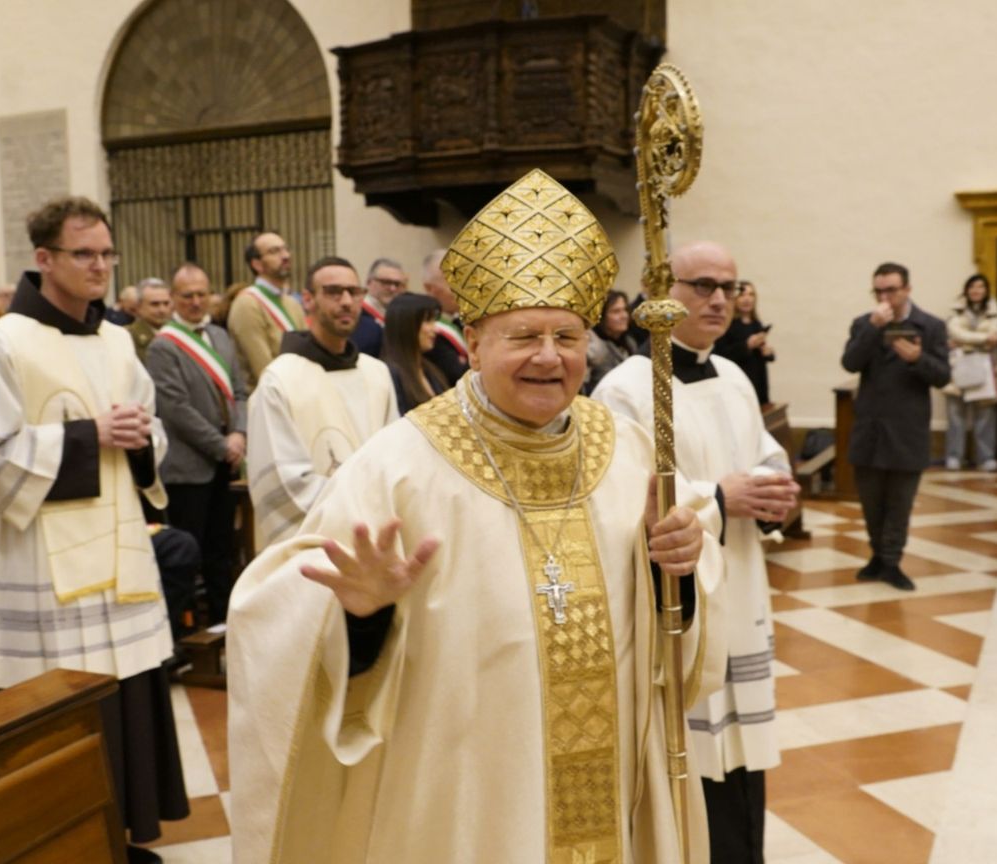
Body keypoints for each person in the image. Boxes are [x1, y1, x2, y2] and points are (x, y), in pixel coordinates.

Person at [228, 169, 723, 864]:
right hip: (469, 798)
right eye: (524, 335)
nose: (550, 356)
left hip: (611, 785)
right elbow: (270, 623)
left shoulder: (630, 447)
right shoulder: (397, 465)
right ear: (474, 336)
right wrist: (358, 621)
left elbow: (680, 623)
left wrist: (677, 566)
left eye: (568, 335)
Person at [0, 196, 188, 859]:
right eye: (84, 254)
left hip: (118, 560)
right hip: (44, 571)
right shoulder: (1, 345)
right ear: (44, 258)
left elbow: (147, 431)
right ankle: (53, 840)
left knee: (125, 695)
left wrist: (143, 438)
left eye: (107, 253)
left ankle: (113, 834)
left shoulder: (116, 338)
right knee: (58, 704)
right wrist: (87, 437)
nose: (100, 266)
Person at [595, 240, 798, 864]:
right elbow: (620, 492)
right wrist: (715, 496)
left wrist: (774, 490)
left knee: (742, 763)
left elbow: (761, 452)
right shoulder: (627, 387)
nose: (718, 299)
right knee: (693, 752)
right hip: (680, 600)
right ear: (662, 290)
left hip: (742, 581)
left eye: (729, 288)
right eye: (702, 285)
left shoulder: (734, 374)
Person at [245, 256, 398, 551]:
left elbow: (394, 457)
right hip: (315, 545)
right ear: (307, 300)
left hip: (376, 543)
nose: (346, 301)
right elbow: (283, 483)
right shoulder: (280, 379)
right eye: (333, 292)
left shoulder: (376, 373)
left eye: (354, 292)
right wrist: (360, 509)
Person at [146, 262, 248, 626]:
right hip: (189, 466)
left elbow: (240, 390)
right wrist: (222, 445)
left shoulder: (220, 337)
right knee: (192, 552)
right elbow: (176, 410)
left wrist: (240, 433)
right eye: (187, 295)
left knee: (222, 550)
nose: (195, 301)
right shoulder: (163, 347)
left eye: (201, 294)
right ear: (173, 298)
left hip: (227, 457)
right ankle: (189, 634)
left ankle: (224, 624)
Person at [841, 262, 951, 591]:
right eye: (879, 291)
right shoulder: (863, 324)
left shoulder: (930, 326)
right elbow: (850, 362)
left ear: (907, 289)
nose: (885, 297)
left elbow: (943, 376)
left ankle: (892, 562)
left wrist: (918, 359)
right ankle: (877, 556)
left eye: (891, 289)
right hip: (870, 428)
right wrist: (872, 329)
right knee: (871, 503)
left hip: (907, 431)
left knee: (899, 504)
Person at [229, 230, 306, 387]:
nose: (285, 256)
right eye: (274, 251)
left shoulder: (292, 303)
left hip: (299, 390)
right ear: (256, 264)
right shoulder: (247, 304)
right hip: (269, 397)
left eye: (285, 249)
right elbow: (263, 369)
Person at [943, 273, 997, 471]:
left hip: (986, 366)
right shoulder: (956, 310)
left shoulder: (994, 311)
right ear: (966, 290)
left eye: (980, 287)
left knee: (985, 415)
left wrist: (965, 340)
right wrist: (983, 339)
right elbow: (954, 333)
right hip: (958, 365)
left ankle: (986, 458)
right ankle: (954, 456)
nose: (976, 291)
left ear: (986, 290)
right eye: (972, 287)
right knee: (955, 415)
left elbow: (996, 335)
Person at [380, 292, 449, 414]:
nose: (435, 329)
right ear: (406, 325)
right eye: (428, 321)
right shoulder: (389, 375)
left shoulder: (430, 369)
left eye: (434, 320)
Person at [714, 281, 775, 405]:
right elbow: (720, 355)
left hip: (758, 382)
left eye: (751, 295)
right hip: (737, 382)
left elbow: (763, 355)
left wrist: (768, 352)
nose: (747, 299)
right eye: (742, 295)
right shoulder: (727, 324)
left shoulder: (756, 323)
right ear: (734, 298)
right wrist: (747, 345)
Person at [420, 247, 471, 386]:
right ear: (429, 288)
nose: (463, 291)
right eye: (454, 283)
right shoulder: (426, 329)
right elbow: (457, 374)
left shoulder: (462, 320)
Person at [585, 289, 638, 394]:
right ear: (601, 317)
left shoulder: (630, 342)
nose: (624, 316)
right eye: (616, 311)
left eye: (625, 310)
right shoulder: (593, 347)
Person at [352, 257, 408, 357]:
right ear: (369, 282)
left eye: (398, 284)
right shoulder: (356, 314)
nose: (392, 288)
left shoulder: (400, 316)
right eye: (386, 282)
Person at [125, 277, 172, 363]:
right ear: (139, 307)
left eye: (166, 303)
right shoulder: (126, 337)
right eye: (155, 304)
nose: (162, 310)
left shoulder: (178, 335)